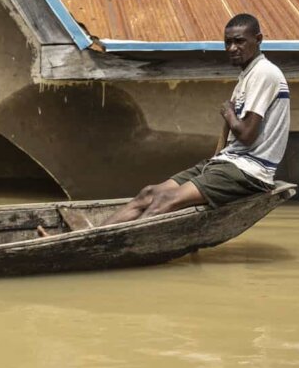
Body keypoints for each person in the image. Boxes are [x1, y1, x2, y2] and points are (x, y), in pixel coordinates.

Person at [104, 13, 289, 225]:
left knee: (164, 201)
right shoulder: (247, 76)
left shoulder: (264, 72)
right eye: (227, 42)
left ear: (258, 39)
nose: (232, 48)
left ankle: (118, 246)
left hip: (249, 172)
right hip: (226, 163)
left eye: (239, 41)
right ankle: (91, 238)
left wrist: (228, 112)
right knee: (148, 194)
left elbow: (247, 135)